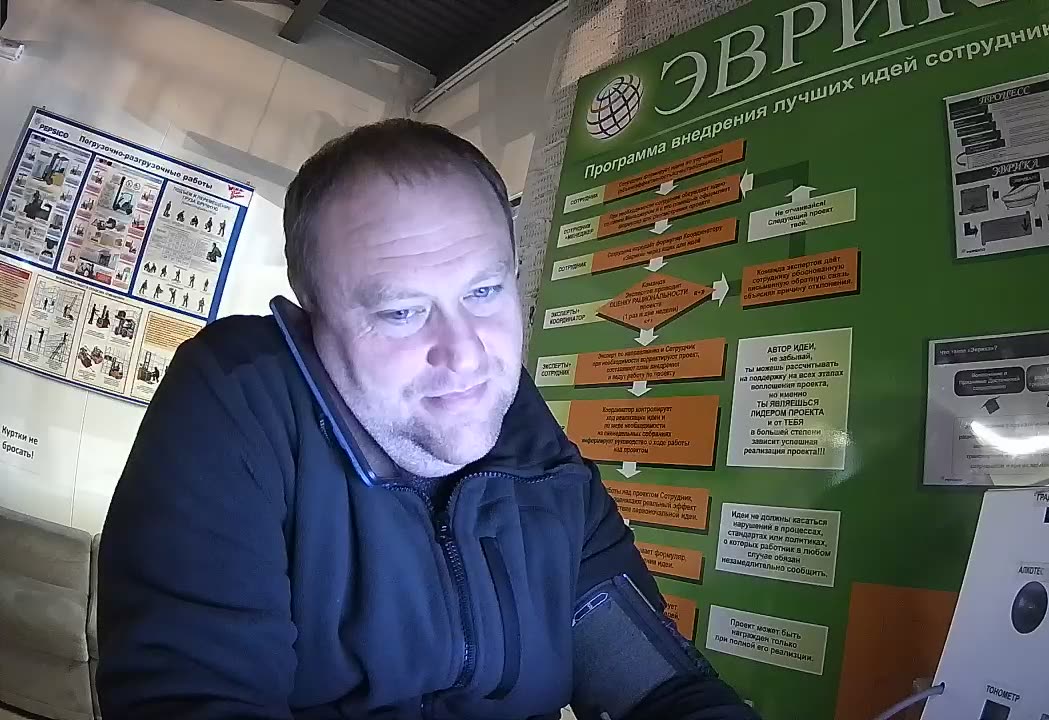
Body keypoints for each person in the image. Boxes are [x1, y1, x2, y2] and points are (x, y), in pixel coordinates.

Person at [98, 120, 758, 720]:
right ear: (309, 317)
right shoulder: (241, 401)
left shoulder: (541, 456)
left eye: (484, 291)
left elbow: (656, 690)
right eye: (401, 312)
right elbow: (191, 697)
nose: (465, 354)